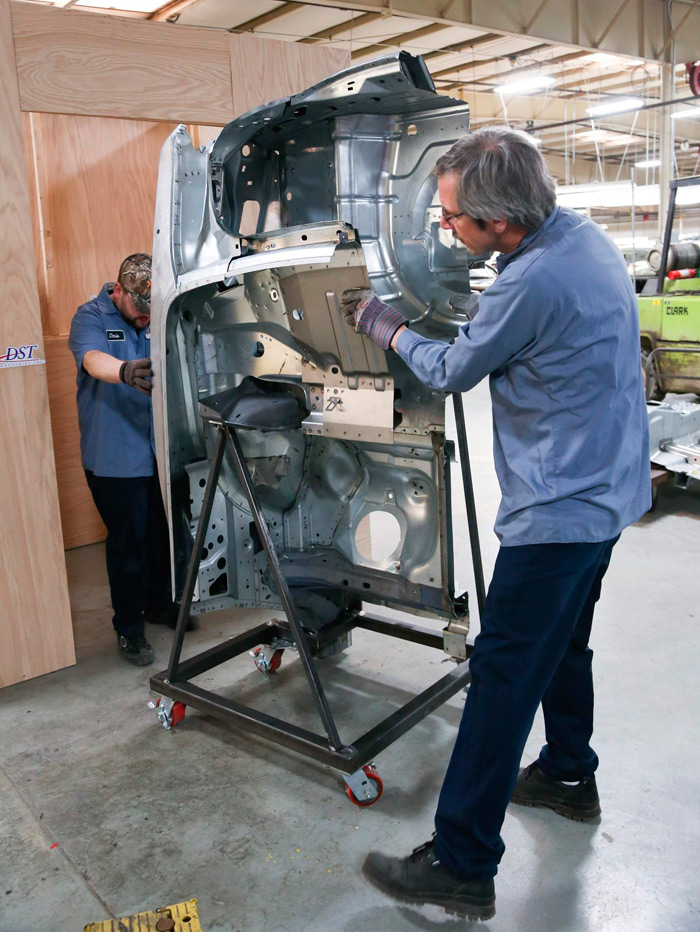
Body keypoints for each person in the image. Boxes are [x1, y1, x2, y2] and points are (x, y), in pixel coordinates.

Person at [343, 127, 650, 921]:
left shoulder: (528, 281)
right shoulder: (577, 236)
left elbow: (451, 370)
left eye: (454, 220)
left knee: (504, 674)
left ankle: (461, 859)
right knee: (564, 643)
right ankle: (568, 774)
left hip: (559, 510)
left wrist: (383, 323)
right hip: (609, 491)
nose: (447, 230)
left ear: (502, 222)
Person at [69, 254, 195, 667]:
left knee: (163, 536)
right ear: (118, 290)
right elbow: (91, 358)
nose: (144, 321)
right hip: (114, 457)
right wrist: (123, 371)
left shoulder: (156, 310)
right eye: (139, 313)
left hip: (158, 450)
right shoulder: (90, 315)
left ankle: (159, 603)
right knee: (128, 545)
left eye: (150, 314)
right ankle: (129, 628)